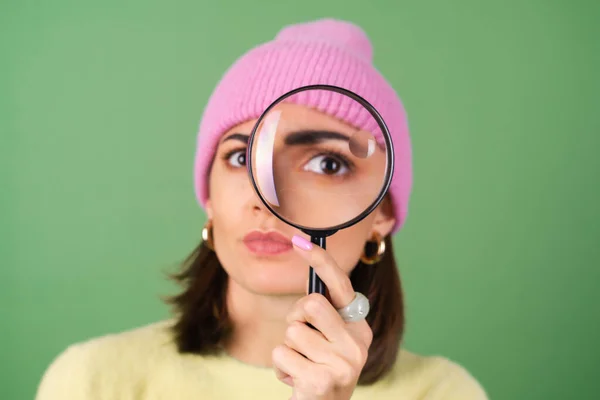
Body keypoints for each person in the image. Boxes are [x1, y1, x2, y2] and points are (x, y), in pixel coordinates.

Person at [35, 18, 488, 400]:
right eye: (238, 156)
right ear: (209, 198)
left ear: (382, 213)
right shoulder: (92, 382)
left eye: (327, 163)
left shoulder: (445, 392)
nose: (266, 199)